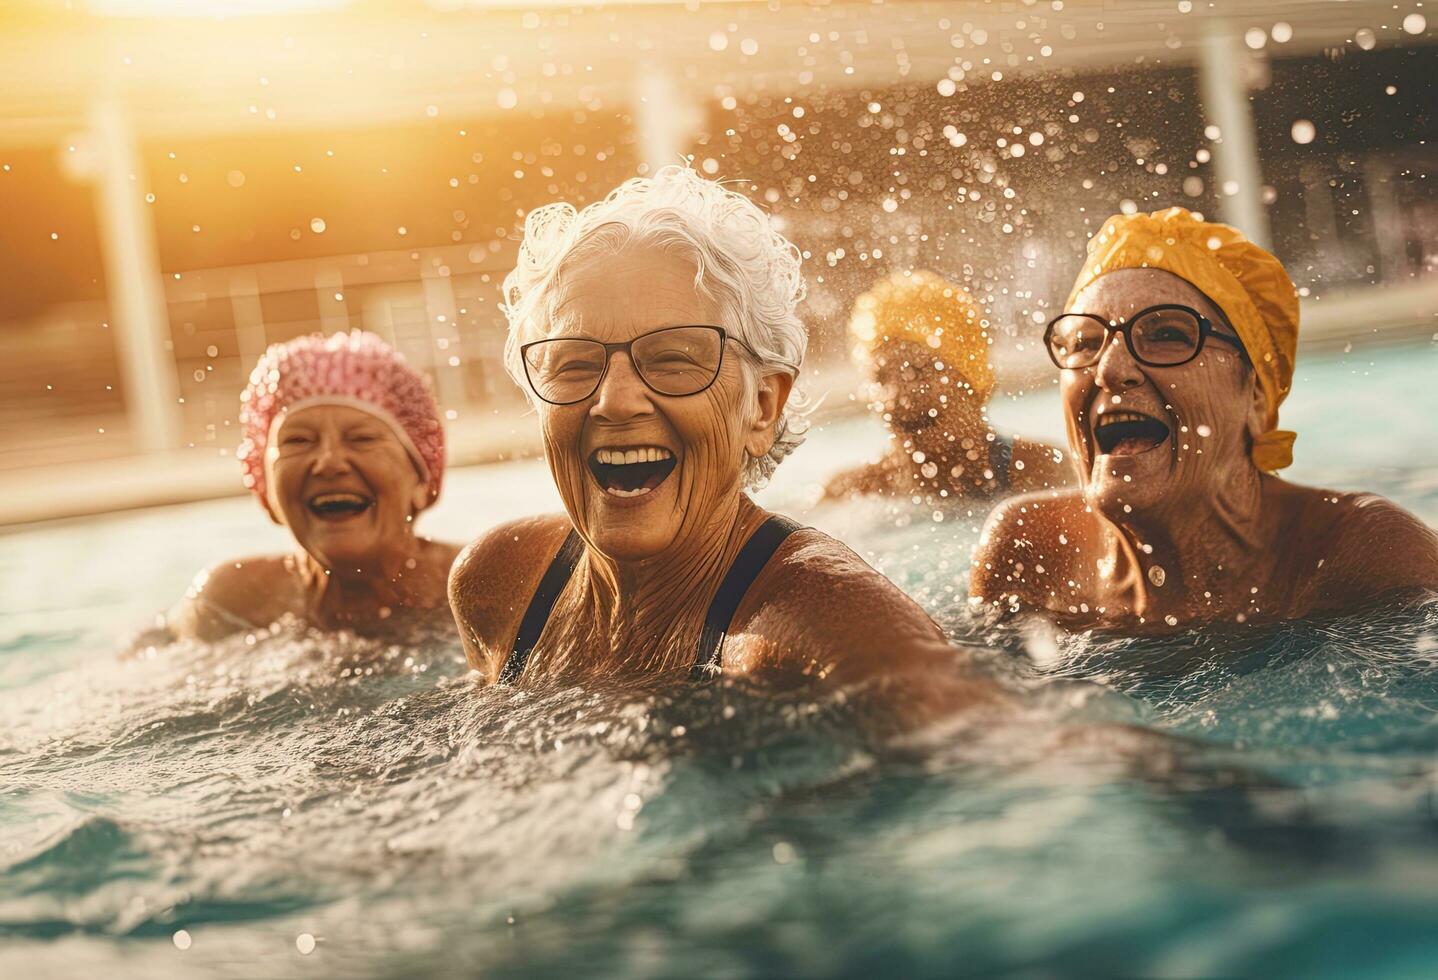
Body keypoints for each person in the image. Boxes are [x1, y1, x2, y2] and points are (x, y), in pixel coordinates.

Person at [447, 167, 996, 716]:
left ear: (761, 407)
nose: (613, 401)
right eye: (574, 362)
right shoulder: (501, 585)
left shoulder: (838, 639)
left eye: (672, 359)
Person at [971, 207, 1438, 627]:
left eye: (1167, 333)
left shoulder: (1360, 555)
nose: (1110, 370)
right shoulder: (1030, 550)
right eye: (1085, 342)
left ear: (1255, 395)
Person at [169, 331, 460, 641]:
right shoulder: (231, 603)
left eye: (362, 438)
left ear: (421, 480)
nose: (329, 462)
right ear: (266, 489)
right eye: (298, 440)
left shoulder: (481, 584)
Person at [819, 271, 1073, 505]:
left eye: (918, 371)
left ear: (970, 378)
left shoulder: (1041, 471)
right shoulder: (850, 492)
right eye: (881, 378)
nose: (898, 397)